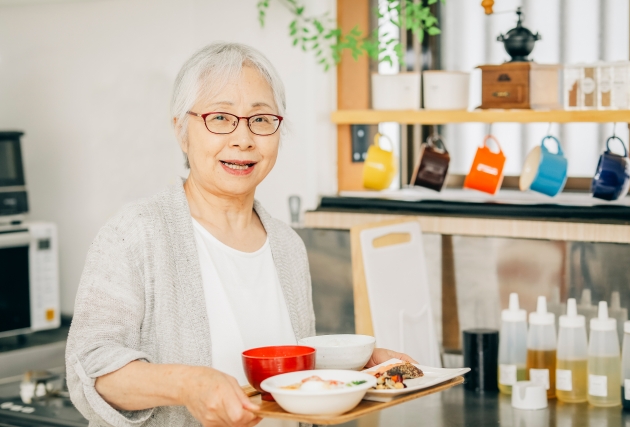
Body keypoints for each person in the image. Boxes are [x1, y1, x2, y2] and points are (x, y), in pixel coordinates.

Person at [66, 42, 417, 427]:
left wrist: (356, 364)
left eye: (261, 119)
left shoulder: (287, 246)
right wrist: (188, 384)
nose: (243, 139)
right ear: (181, 130)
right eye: (220, 118)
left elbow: (286, 370)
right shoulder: (135, 234)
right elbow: (91, 368)